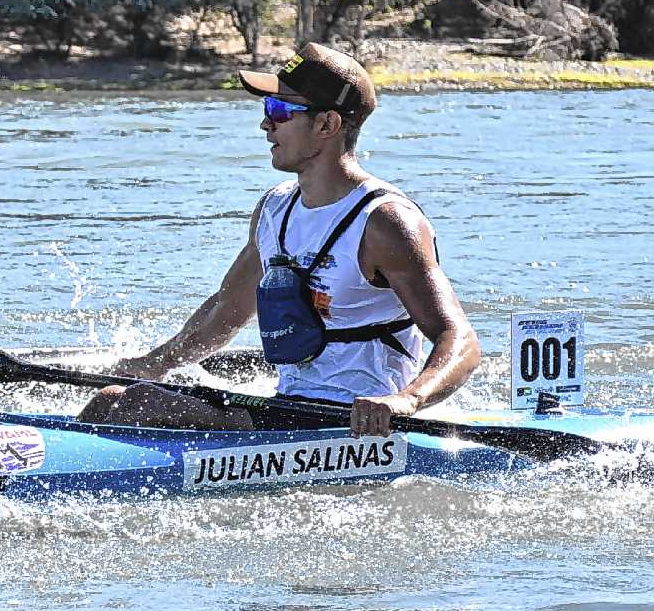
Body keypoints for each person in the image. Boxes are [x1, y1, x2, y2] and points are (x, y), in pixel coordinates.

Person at [75, 42, 480, 436]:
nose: (265, 123)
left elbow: (460, 339)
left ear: (327, 124)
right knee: (121, 398)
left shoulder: (386, 222)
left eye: (280, 110)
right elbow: (225, 311)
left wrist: (407, 400)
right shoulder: (275, 209)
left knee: (125, 404)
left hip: (356, 423)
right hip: (288, 406)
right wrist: (153, 365)